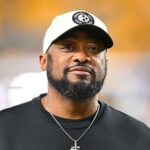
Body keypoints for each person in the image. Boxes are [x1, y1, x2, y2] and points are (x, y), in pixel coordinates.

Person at [0, 10, 150, 150]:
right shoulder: (5, 129)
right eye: (68, 47)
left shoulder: (139, 137)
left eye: (93, 48)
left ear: (105, 63)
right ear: (43, 61)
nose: (82, 57)